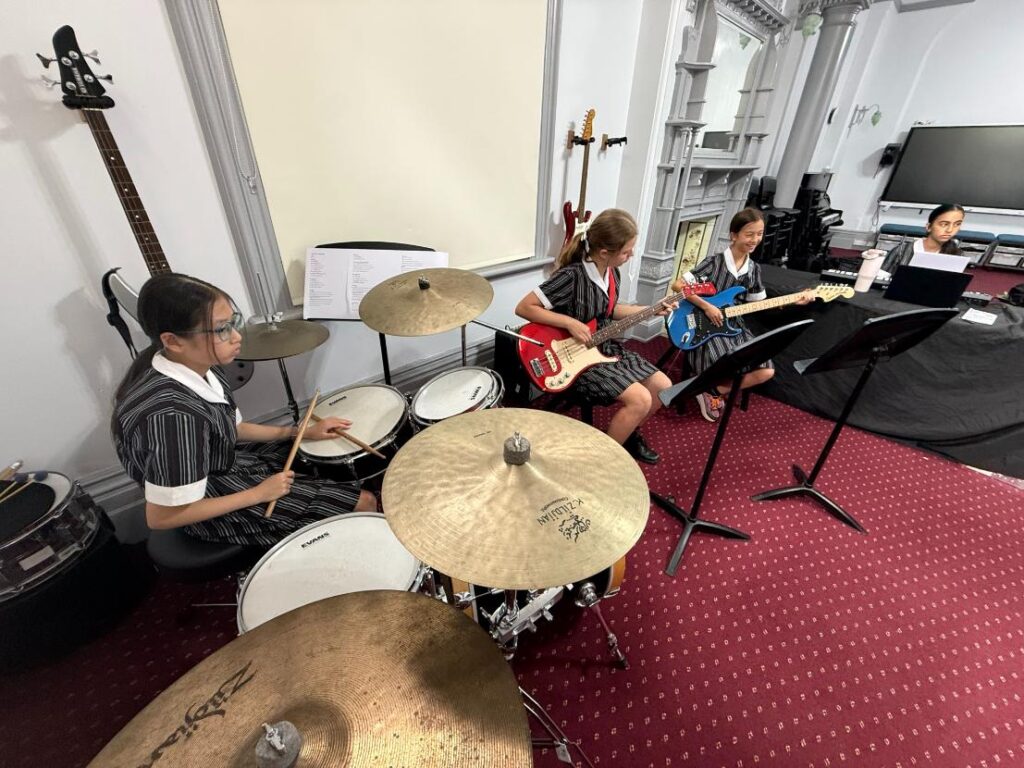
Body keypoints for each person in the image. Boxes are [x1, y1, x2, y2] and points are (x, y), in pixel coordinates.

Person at [111, 273, 376, 548]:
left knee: (317, 459)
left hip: (225, 462)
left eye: (233, 322)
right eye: (221, 329)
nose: (237, 337)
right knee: (364, 502)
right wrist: (257, 495)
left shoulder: (203, 366)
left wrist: (300, 432)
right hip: (207, 505)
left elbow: (234, 428)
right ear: (174, 341)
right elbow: (161, 517)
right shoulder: (172, 417)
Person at [514, 208, 674, 464]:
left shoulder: (612, 272)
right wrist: (570, 322)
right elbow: (524, 307)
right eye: (626, 251)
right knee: (640, 400)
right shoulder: (572, 276)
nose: (631, 255)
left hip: (604, 347)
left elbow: (610, 311)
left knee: (663, 387)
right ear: (604, 252)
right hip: (576, 357)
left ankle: (628, 432)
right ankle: (602, 462)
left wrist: (650, 310)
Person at [677, 207, 813, 422]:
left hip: (735, 326)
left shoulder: (754, 269)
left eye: (759, 234)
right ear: (734, 235)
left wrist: (792, 301)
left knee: (766, 371)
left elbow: (758, 304)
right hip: (705, 326)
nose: (755, 240)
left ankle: (712, 390)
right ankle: (707, 383)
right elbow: (679, 285)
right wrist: (706, 306)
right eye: (749, 234)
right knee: (726, 362)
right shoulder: (713, 263)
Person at [881, 203, 965, 274]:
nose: (950, 230)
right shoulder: (901, 250)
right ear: (929, 227)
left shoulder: (957, 255)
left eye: (957, 224)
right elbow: (881, 280)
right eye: (944, 224)